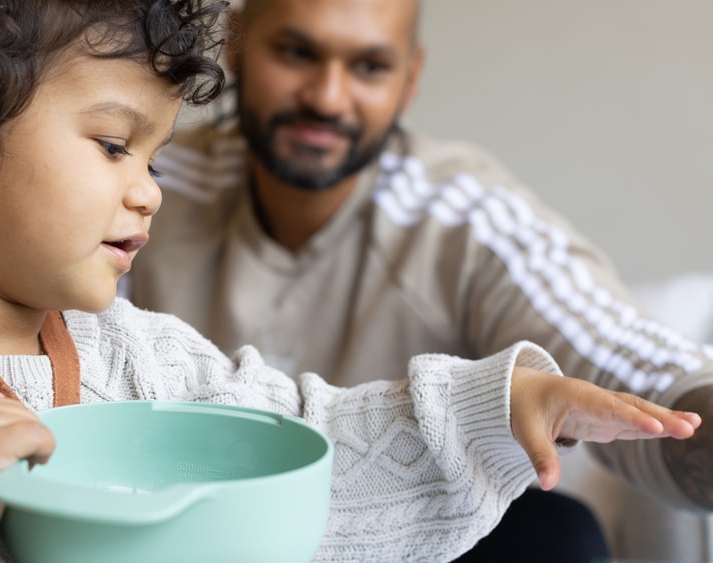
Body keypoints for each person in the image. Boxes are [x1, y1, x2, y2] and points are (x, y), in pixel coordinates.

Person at [0, 0, 699, 561]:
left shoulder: (143, 356)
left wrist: (493, 403)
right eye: (113, 146)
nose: (148, 193)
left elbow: (317, 442)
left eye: (154, 157)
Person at [124, 0, 713, 560]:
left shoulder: (463, 212)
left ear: (410, 78)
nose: (328, 98)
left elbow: (617, 350)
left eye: (369, 66)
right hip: (175, 528)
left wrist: (691, 409)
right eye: (297, 53)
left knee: (556, 533)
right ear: (236, 46)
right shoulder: (142, 181)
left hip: (414, 545)